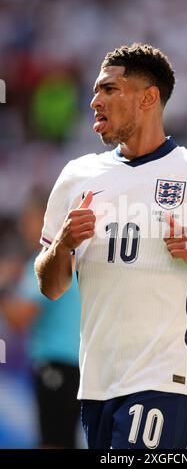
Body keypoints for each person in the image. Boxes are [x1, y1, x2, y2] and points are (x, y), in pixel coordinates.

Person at [34, 43, 187, 449]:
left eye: (109, 89)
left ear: (149, 98)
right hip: (95, 384)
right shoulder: (75, 176)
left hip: (163, 378)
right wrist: (63, 245)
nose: (94, 100)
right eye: (96, 91)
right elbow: (51, 285)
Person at [0, 187, 81, 448]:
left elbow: (19, 318)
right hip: (79, 363)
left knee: (53, 442)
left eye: (29, 220)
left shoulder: (45, 261)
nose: (24, 228)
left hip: (56, 365)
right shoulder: (72, 257)